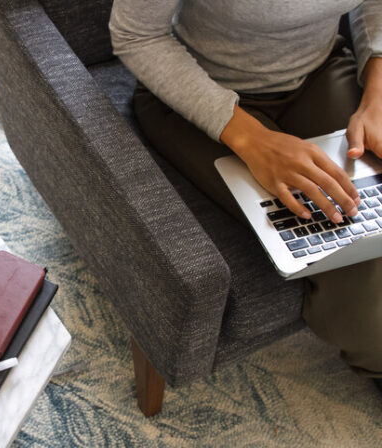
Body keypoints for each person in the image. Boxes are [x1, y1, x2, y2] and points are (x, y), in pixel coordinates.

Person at [109, 0, 382, 381]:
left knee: (368, 227)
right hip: (201, 92)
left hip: (321, 71)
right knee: (356, 292)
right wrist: (252, 140)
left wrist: (377, 92)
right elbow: (135, 34)